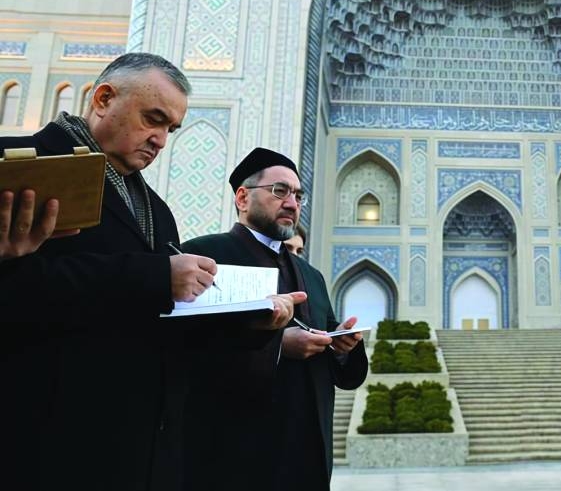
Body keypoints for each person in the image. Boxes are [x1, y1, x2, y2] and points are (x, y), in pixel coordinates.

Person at [0, 53, 302, 491]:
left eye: (170, 129)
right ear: (103, 99)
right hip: (46, 445)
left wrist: (251, 325)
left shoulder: (155, 211)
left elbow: (167, 328)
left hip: (137, 451)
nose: (160, 139)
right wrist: (155, 278)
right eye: (153, 119)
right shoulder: (19, 169)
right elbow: (19, 297)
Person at [182, 148, 368, 491]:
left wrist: (341, 346)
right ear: (242, 197)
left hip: (306, 454)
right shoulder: (205, 257)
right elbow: (185, 352)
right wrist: (278, 346)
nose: (292, 203)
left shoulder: (310, 275)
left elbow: (336, 365)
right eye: (279, 191)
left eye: (298, 195)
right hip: (236, 455)